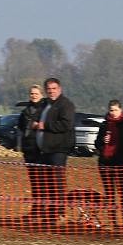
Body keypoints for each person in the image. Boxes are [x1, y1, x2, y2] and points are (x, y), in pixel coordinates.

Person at [30, 78, 75, 224]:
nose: (51, 91)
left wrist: (44, 125)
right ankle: (49, 214)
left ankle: (60, 213)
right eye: (49, 89)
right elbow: (34, 120)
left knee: (57, 183)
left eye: (54, 88)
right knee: (46, 183)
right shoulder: (44, 104)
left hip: (58, 150)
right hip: (44, 150)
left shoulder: (66, 104)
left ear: (59, 89)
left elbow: (66, 124)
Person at [93, 100, 123, 228]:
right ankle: (113, 221)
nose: (113, 112)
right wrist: (102, 142)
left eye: (115, 110)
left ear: (121, 110)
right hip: (105, 162)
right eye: (111, 110)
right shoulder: (104, 125)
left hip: (120, 162)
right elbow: (96, 143)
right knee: (109, 193)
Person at [17, 85, 46, 221]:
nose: (33, 95)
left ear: (41, 95)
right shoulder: (25, 111)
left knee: (42, 182)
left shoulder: (45, 109)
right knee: (34, 182)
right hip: (28, 149)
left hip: (39, 148)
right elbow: (21, 128)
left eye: (36, 93)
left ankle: (43, 210)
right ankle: (35, 209)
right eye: (32, 93)